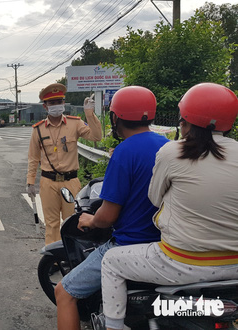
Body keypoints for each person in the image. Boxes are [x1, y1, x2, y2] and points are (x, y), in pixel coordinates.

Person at [100, 83, 238, 330]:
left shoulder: (172, 151)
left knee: (111, 261)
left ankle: (113, 325)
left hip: (181, 263)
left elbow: (155, 199)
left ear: (184, 119)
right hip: (234, 266)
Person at [53, 86, 168, 329]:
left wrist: (89, 220)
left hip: (129, 245)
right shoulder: (167, 146)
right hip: (165, 245)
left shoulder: (125, 151)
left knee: (64, 292)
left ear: (115, 118)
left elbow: (107, 216)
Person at [27, 83, 102, 245]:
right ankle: (53, 259)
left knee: (72, 222)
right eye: (52, 103)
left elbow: (96, 137)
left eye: (59, 102)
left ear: (64, 103)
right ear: (45, 107)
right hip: (48, 183)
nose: (56, 106)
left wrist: (89, 114)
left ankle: (71, 257)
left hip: (71, 182)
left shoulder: (75, 124)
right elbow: (33, 157)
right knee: (51, 224)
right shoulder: (38, 130)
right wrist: (30, 182)